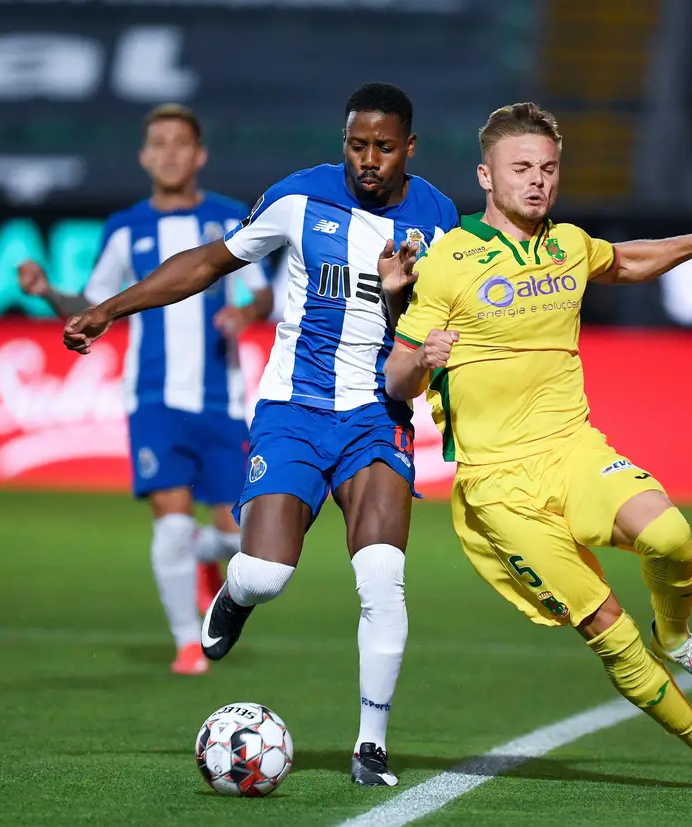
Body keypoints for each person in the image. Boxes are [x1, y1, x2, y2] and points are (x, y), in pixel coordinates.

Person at [60, 83, 459, 787]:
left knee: (381, 577)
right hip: (293, 410)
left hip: (377, 415)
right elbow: (209, 263)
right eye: (357, 145)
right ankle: (236, 593)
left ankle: (370, 745)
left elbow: (439, 323)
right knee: (268, 573)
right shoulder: (297, 198)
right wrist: (111, 309)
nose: (369, 160)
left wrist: (407, 309)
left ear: (410, 147)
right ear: (343, 143)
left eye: (384, 147)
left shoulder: (440, 219)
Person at [383, 102, 692, 795]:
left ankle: (676, 636)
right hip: (499, 486)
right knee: (606, 625)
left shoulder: (568, 243)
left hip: (572, 448)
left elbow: (627, 262)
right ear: (486, 176)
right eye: (521, 168)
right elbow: (395, 377)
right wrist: (422, 359)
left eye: (548, 168)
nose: (537, 180)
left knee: (671, 536)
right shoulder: (447, 262)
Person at [18, 103, 273, 675]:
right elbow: (92, 306)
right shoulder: (125, 228)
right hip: (153, 398)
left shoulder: (230, 218)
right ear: (144, 156)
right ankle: (188, 644)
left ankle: (205, 552)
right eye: (159, 143)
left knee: (248, 544)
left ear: (199, 154)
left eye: (181, 143)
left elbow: (262, 291)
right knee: (172, 523)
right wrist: (47, 292)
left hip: (222, 400)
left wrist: (244, 314)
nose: (170, 153)